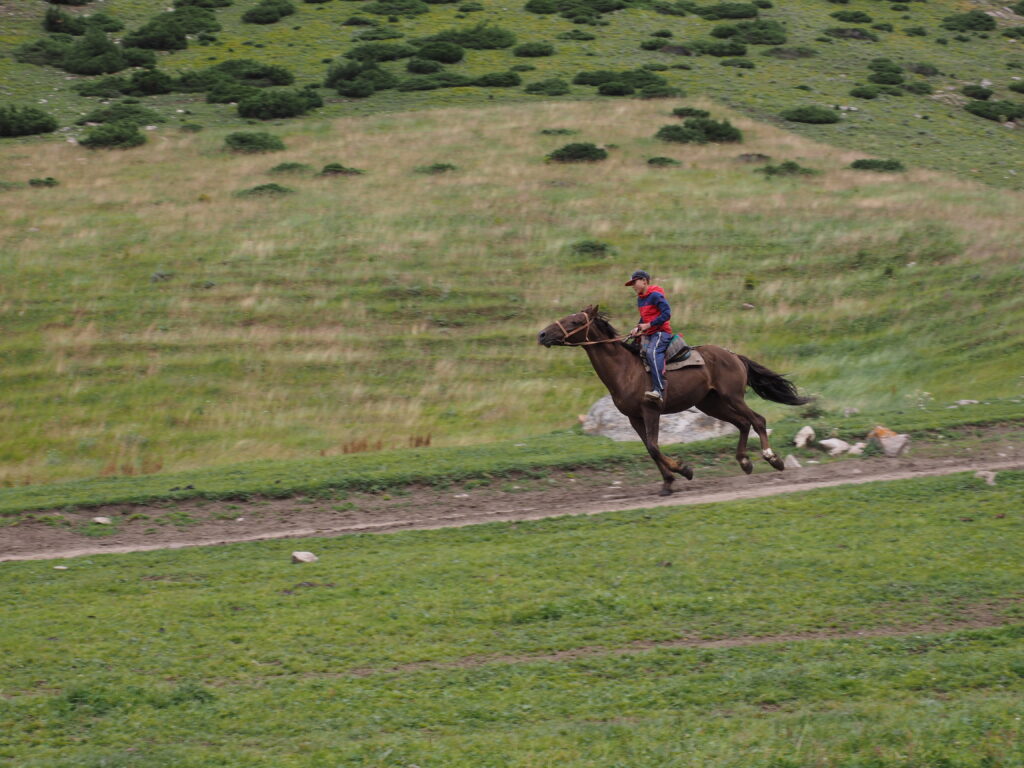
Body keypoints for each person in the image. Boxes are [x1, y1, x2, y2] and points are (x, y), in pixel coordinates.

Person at [625, 269, 673, 404]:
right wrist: (638, 327)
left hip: (661, 333)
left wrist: (649, 325)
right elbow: (644, 317)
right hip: (649, 333)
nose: (633, 286)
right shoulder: (640, 300)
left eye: (635, 282)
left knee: (652, 352)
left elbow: (667, 313)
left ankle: (659, 390)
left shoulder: (656, 295)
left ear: (644, 281)